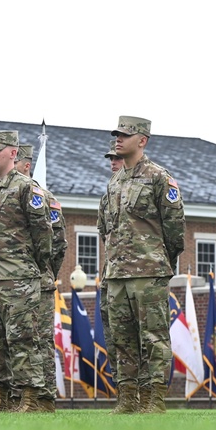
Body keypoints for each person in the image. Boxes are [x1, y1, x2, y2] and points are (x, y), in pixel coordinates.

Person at [102, 116, 185, 414]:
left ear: (142, 140)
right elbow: (105, 229)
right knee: (121, 340)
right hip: (117, 274)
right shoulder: (114, 182)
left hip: (148, 272)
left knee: (153, 337)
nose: (118, 139)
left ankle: (155, 399)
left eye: (125, 135)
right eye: (116, 134)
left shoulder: (159, 177)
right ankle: (127, 398)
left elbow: (175, 228)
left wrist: (160, 261)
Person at [0, 131, 53, 412]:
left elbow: (44, 236)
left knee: (24, 340)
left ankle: (30, 399)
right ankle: (0, 397)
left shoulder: (26, 188)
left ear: (13, 153)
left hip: (19, 279)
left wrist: (27, 267)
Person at [15, 143, 67, 412]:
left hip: (40, 282)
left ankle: (45, 397)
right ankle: (19, 396)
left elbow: (57, 243)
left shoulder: (44, 199)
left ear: (25, 165)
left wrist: (45, 271)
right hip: (15, 281)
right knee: (16, 338)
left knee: (40, 339)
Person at [97, 138, 123, 386]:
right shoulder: (107, 195)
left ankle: (148, 395)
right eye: (111, 159)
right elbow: (104, 233)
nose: (113, 162)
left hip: (140, 272)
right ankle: (124, 392)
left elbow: (173, 233)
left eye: (117, 158)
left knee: (143, 336)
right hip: (111, 273)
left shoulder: (153, 180)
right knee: (114, 335)